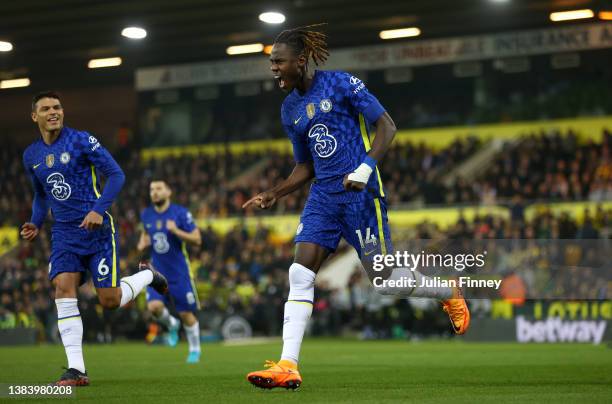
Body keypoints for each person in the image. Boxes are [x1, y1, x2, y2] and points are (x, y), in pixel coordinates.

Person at [242, 25, 470, 390]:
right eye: (271, 63)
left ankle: (448, 292)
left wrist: (364, 169)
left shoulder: (342, 84)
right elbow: (305, 166)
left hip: (362, 195)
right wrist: (275, 193)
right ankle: (288, 364)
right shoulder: (290, 109)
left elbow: (387, 126)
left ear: (300, 61)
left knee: (387, 282)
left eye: (279, 62)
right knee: (300, 273)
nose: (273, 69)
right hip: (323, 197)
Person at [21, 91, 168, 386]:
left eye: (58, 107)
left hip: (97, 231)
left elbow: (116, 175)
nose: (54, 112)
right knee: (63, 288)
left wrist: (98, 210)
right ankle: (77, 370)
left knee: (110, 301)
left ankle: (147, 277)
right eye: (46, 108)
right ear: (34, 116)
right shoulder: (31, 155)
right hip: (63, 232)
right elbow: (40, 194)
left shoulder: (81, 140)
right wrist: (36, 222)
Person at [137, 179, 202, 363]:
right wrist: (142, 242)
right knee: (154, 307)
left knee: (186, 314)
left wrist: (177, 231)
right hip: (157, 273)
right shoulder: (146, 214)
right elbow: (145, 234)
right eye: (152, 189)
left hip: (179, 273)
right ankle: (171, 324)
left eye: (158, 189)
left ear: (168, 192)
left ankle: (195, 350)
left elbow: (197, 239)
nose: (154, 192)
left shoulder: (180, 213)